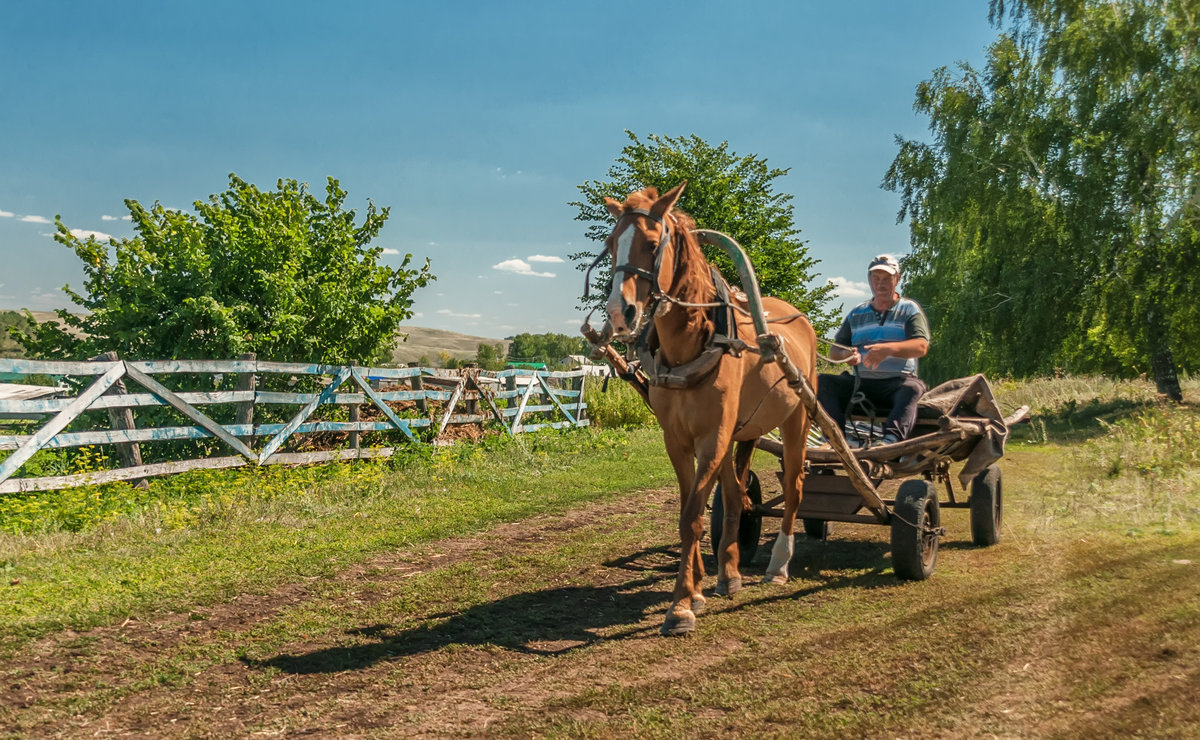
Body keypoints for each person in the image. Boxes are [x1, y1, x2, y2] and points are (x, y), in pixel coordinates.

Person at [817, 254, 930, 447]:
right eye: (876, 278)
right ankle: (836, 438)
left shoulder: (909, 310)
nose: (881, 284)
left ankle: (890, 440)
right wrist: (847, 355)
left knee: (913, 388)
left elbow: (921, 346)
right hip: (861, 383)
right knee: (822, 381)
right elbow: (835, 351)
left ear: (897, 279)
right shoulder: (857, 313)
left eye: (887, 278)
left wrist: (887, 349)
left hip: (896, 383)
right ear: (869, 280)